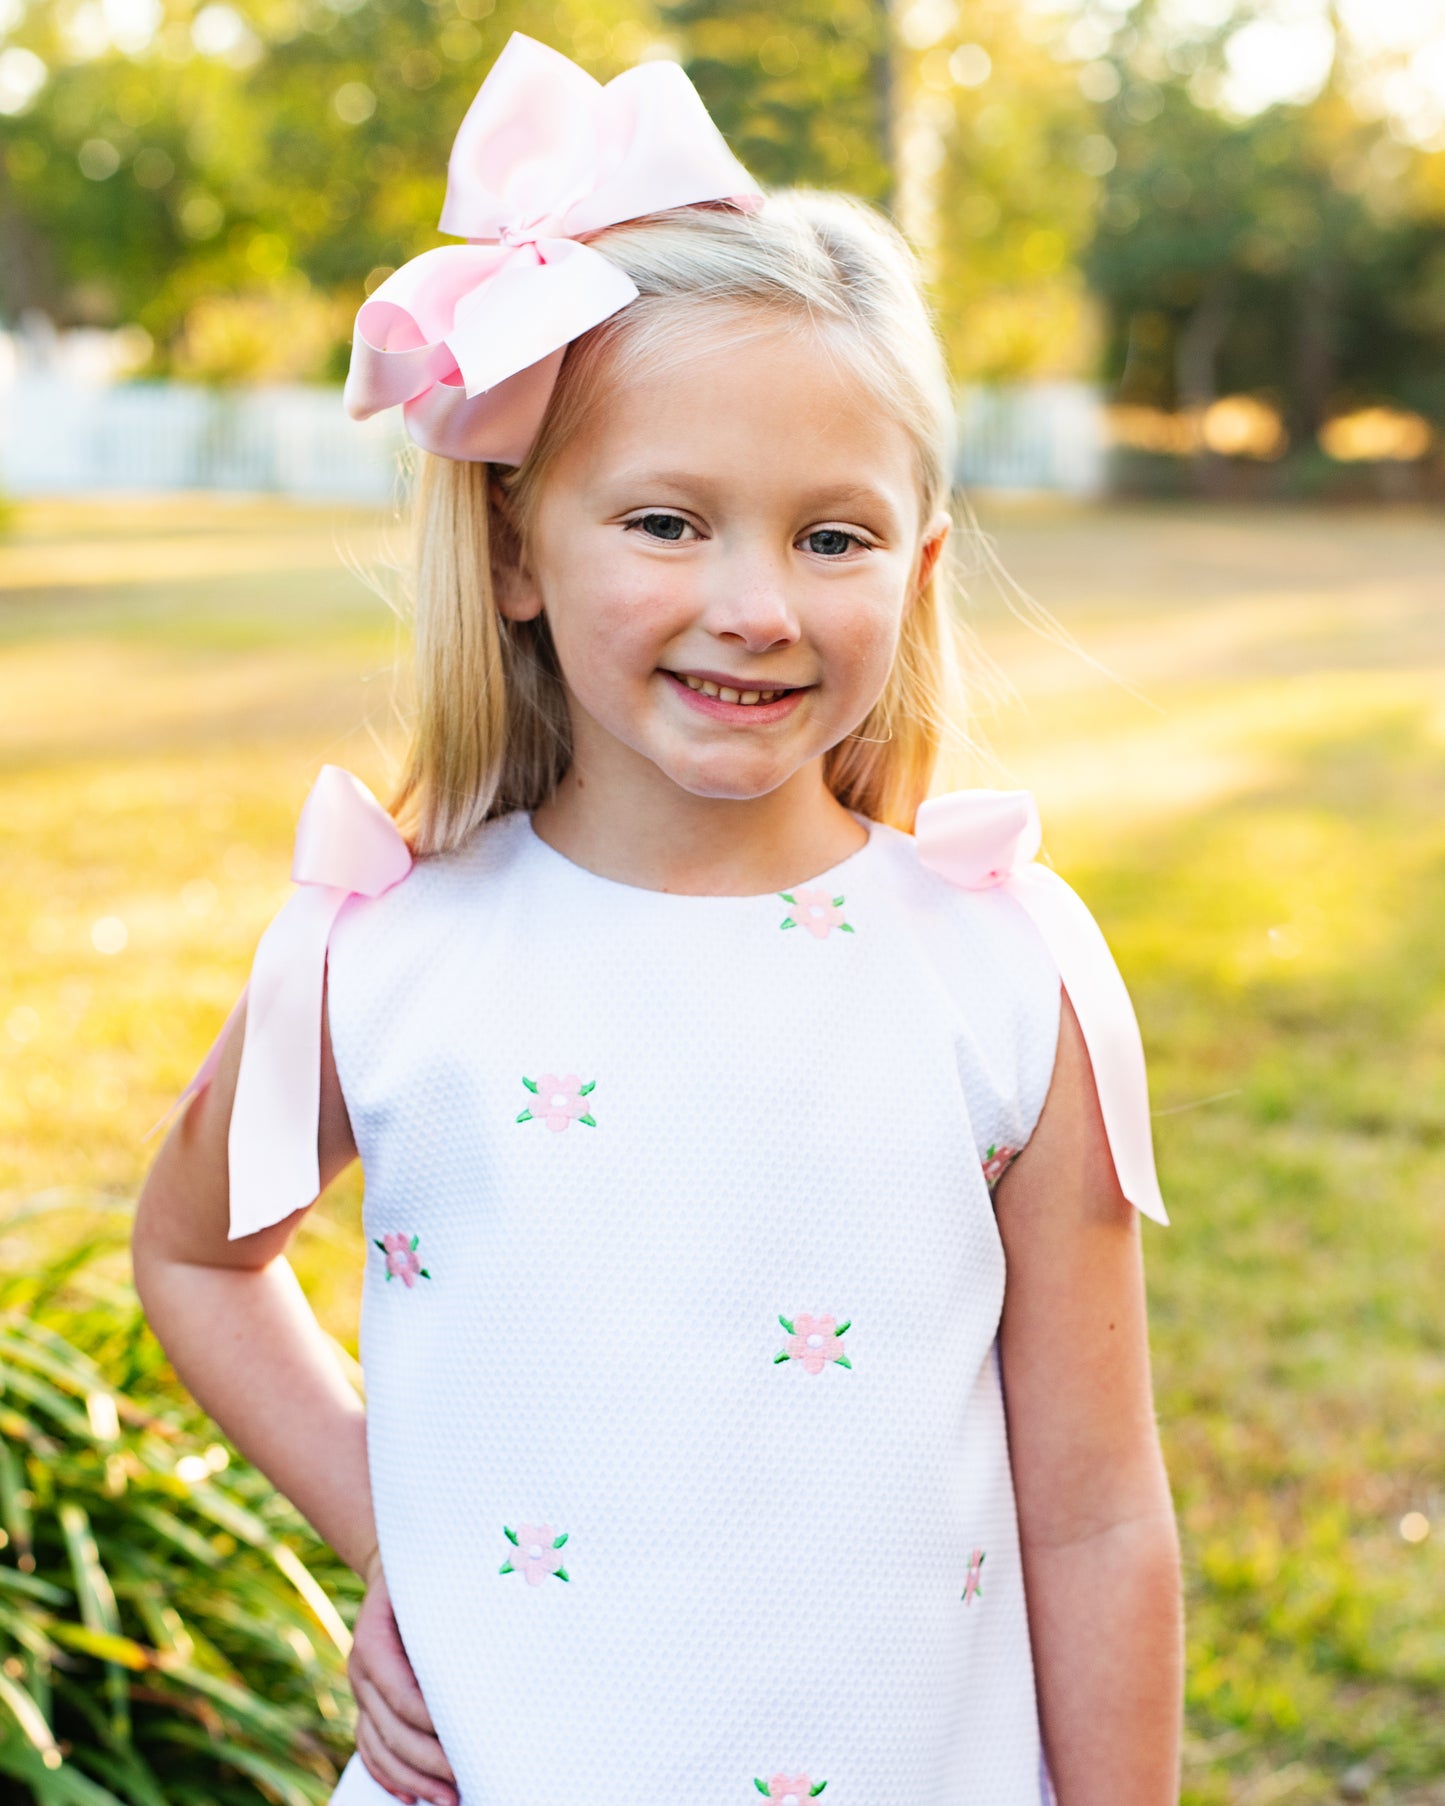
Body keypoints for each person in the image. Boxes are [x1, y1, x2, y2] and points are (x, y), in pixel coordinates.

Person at [133, 32, 1182, 1806]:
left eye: (832, 538)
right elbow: (195, 1251)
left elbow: (1092, 1515)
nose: (754, 604)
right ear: (517, 548)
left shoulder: (1006, 973)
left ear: (921, 565)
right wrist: (419, 1537)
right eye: (670, 521)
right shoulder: (382, 954)